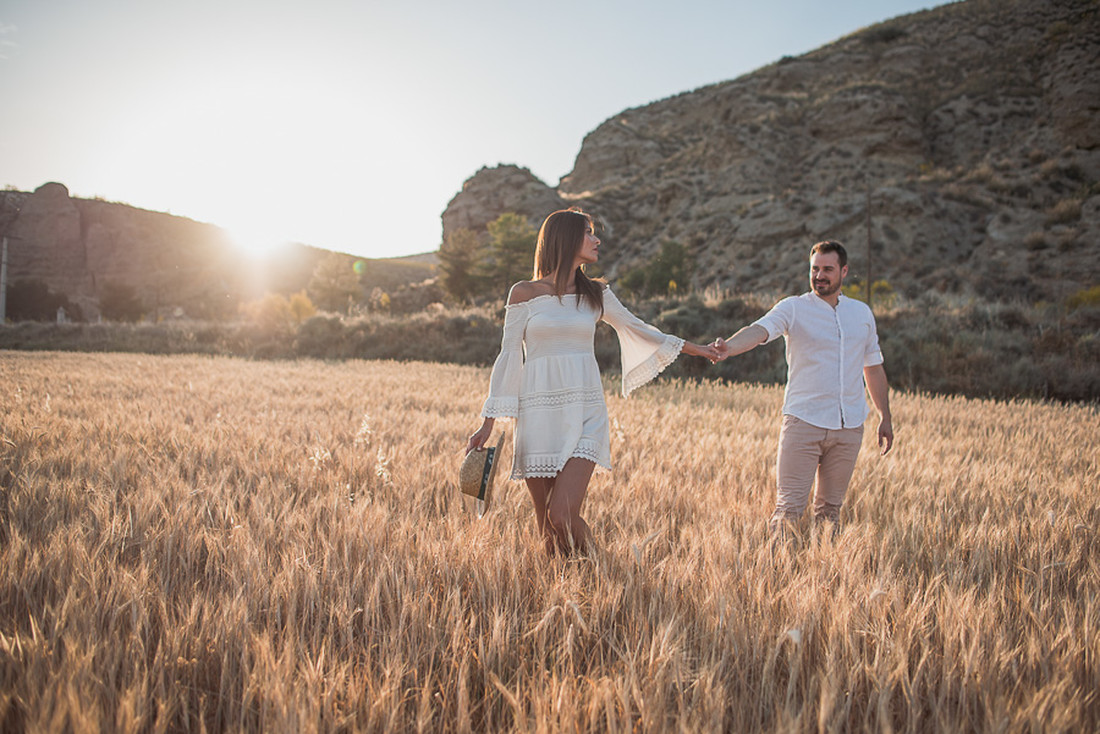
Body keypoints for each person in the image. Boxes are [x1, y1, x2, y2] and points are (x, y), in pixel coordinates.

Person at [466, 208, 720, 556]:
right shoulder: (523, 293)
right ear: (565, 238)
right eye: (588, 232)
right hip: (538, 414)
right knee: (547, 530)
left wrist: (698, 349)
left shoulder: (596, 293)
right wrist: (488, 423)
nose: (596, 239)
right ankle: (566, 594)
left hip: (586, 412)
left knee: (562, 514)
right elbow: (509, 355)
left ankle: (607, 571)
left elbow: (639, 329)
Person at [713, 240, 893, 532]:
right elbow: (760, 330)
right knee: (788, 512)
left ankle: (824, 572)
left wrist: (884, 415)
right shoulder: (793, 308)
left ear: (844, 271)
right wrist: (728, 347)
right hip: (804, 423)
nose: (820, 275)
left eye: (828, 269)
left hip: (849, 428)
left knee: (831, 512)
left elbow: (872, 366)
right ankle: (776, 574)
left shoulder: (861, 314)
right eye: (815, 269)